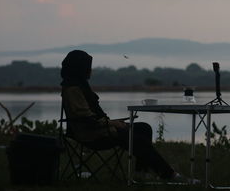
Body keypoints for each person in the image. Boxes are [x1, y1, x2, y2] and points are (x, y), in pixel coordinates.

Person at [60, 50, 191, 181]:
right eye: (88, 67)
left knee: (144, 128)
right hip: (91, 135)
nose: (90, 70)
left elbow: (91, 117)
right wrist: (113, 123)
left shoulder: (80, 84)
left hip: (99, 128)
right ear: (80, 68)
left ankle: (141, 173)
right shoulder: (73, 89)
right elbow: (87, 119)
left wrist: (113, 123)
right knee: (136, 139)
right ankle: (169, 174)